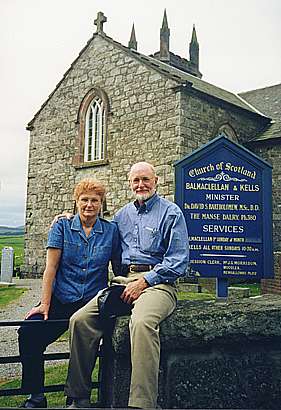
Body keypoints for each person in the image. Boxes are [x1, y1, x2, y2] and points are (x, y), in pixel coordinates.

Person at [64, 162, 189, 409]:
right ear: (129, 183)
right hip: (123, 282)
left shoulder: (171, 213)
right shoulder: (122, 216)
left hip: (159, 284)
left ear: (156, 181)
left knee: (142, 323)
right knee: (79, 320)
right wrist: (68, 218)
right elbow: (94, 227)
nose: (140, 185)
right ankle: (78, 397)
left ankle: (142, 403)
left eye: (145, 179)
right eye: (136, 181)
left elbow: (178, 260)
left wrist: (145, 281)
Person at [18, 179, 121, 408]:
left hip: (91, 303)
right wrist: (45, 304)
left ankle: (76, 397)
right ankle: (36, 395)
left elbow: (119, 268)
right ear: (76, 202)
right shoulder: (62, 227)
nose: (89, 205)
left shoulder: (111, 231)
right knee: (28, 333)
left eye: (95, 200)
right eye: (84, 200)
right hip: (62, 298)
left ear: (101, 204)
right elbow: (51, 268)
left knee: (94, 345)